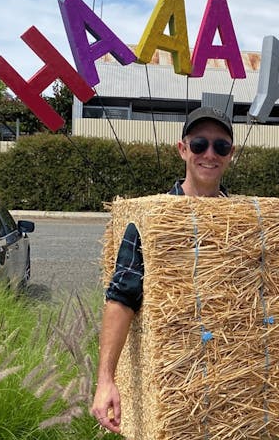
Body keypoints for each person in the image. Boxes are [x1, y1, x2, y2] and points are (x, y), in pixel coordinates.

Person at [90, 106, 235, 434]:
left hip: (232, 391)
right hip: (171, 386)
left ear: (231, 154)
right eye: (199, 144)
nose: (209, 154)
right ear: (183, 149)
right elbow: (121, 298)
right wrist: (105, 380)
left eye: (220, 146)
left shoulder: (245, 220)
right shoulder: (152, 220)